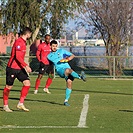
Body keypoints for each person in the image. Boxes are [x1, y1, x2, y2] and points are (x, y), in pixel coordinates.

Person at [47, 40, 86, 106]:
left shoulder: (61, 51)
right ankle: (80, 77)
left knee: (69, 82)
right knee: (68, 70)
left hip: (68, 70)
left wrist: (67, 59)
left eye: (56, 46)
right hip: (60, 71)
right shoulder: (49, 56)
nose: (54, 47)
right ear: (50, 46)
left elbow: (72, 55)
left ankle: (66, 101)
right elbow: (50, 65)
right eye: (53, 46)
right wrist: (50, 72)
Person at [3, 27, 32, 112]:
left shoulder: (23, 42)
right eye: (30, 34)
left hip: (19, 68)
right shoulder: (19, 42)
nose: (30, 35)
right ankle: (5, 105)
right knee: (9, 87)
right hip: (12, 68)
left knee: (27, 83)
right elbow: (17, 57)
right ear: (28, 34)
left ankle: (20, 103)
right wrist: (26, 66)